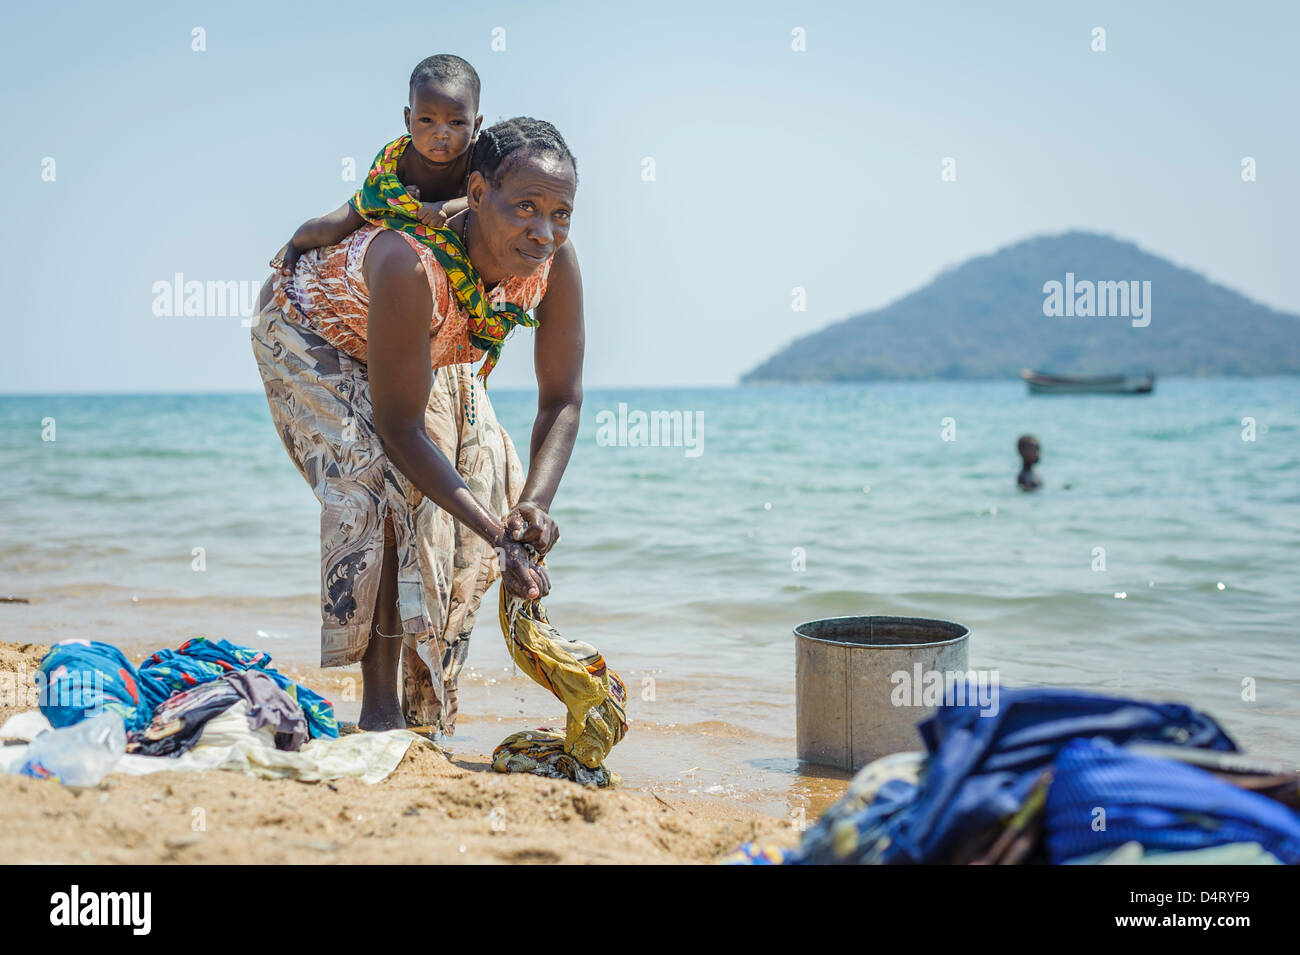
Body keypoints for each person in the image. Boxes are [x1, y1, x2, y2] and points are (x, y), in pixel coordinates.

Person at [251, 117, 584, 734]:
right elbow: (401, 430)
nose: (544, 232)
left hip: (420, 343)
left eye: (560, 213)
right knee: (378, 480)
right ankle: (379, 710)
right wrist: (495, 535)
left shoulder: (551, 262)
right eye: (526, 208)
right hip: (310, 327)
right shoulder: (411, 263)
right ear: (478, 194)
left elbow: (561, 398)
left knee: (484, 475)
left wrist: (530, 508)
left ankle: (428, 706)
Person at [270, 53, 482, 277]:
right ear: (408, 120)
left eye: (456, 123)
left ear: (476, 125)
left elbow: (487, 196)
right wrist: (402, 200)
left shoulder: (478, 156)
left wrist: (446, 207)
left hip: (438, 212)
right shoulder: (398, 161)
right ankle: (295, 243)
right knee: (331, 228)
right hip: (384, 201)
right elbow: (386, 192)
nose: (441, 133)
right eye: (427, 120)